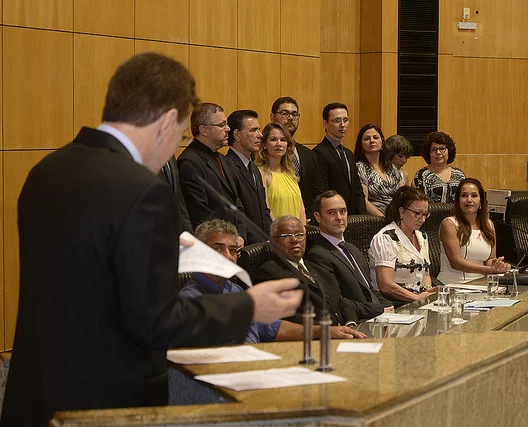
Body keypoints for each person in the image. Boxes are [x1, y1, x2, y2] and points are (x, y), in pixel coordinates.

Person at [0, 53, 303, 427]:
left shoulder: (47, 170)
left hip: (37, 393)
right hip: (107, 399)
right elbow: (155, 320)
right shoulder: (143, 190)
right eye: (180, 134)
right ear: (166, 121)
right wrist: (247, 306)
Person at [180, 219, 365, 340]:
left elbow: (273, 327)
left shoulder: (234, 289)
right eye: (217, 249)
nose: (228, 256)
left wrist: (324, 331)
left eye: (233, 250)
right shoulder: (190, 301)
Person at [252, 216, 362, 327]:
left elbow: (341, 301)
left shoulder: (318, 267)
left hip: (346, 330)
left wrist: (350, 322)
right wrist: (326, 330)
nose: (294, 240)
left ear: (305, 238)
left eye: (299, 235)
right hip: (313, 334)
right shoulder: (268, 273)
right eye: (286, 236)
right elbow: (287, 317)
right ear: (273, 242)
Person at [307, 191, 394, 318]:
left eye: (342, 211)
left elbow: (369, 290)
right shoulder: (317, 256)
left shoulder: (353, 249)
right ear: (318, 217)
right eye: (331, 212)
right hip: (356, 321)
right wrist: (378, 310)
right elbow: (338, 303)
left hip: (380, 315)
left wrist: (390, 307)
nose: (339, 218)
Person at [178, 102, 246, 243]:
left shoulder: (223, 159)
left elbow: (237, 202)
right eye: (222, 125)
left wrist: (240, 235)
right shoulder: (190, 161)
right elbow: (200, 211)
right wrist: (227, 238)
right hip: (213, 243)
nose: (228, 129)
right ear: (204, 130)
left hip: (232, 242)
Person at [369, 186, 436, 306]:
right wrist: (416, 298)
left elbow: (426, 274)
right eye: (417, 213)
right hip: (393, 303)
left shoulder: (422, 237)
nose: (422, 219)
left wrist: (427, 289)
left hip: (418, 301)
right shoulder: (386, 238)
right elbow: (385, 285)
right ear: (401, 211)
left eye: (425, 214)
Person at [438, 178, 510, 284]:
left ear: (481, 200)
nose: (469, 200)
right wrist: (489, 270)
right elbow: (456, 262)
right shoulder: (449, 224)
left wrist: (497, 265)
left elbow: (490, 259)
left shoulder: (488, 224)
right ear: (457, 200)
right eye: (464, 195)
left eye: (474, 195)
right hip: (454, 284)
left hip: (480, 283)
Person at [270, 96, 322, 218]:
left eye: (294, 114)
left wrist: (308, 218)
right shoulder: (262, 154)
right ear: (272, 117)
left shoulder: (310, 155)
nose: (290, 118)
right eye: (284, 113)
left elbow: (318, 191)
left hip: (307, 222)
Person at [225, 109, 272, 244]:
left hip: (263, 244)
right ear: (237, 135)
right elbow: (235, 212)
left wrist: (270, 237)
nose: (260, 135)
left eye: (259, 130)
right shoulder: (227, 166)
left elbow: (264, 209)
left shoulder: (254, 168)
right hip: (245, 244)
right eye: (253, 130)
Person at [313, 102, 367, 215]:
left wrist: (362, 216)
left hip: (353, 216)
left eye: (345, 120)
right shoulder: (319, 152)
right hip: (333, 214)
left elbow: (357, 189)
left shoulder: (348, 153)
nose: (342, 125)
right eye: (337, 120)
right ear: (325, 124)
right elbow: (321, 191)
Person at [254, 122, 306, 223]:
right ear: (264, 144)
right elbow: (266, 210)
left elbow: (301, 208)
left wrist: (302, 228)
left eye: (283, 140)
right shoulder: (261, 172)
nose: (279, 144)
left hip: (297, 230)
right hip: (276, 231)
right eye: (273, 139)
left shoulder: (291, 171)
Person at [354, 124, 405, 216]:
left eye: (375, 137)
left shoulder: (391, 167)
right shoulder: (360, 167)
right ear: (361, 145)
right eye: (367, 139)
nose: (372, 141)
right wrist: (384, 219)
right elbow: (363, 201)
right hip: (376, 218)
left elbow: (403, 194)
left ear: (382, 142)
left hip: (398, 216)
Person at [413, 131, 466, 203]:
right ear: (428, 153)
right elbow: (418, 203)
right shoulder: (421, 175)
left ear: (449, 151)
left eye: (442, 149)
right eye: (434, 149)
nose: (438, 152)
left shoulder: (459, 174)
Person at [158, 155, 193, 233]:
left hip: (176, 231)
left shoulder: (170, 156)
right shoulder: (144, 156)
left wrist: (188, 232)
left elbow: (179, 201)